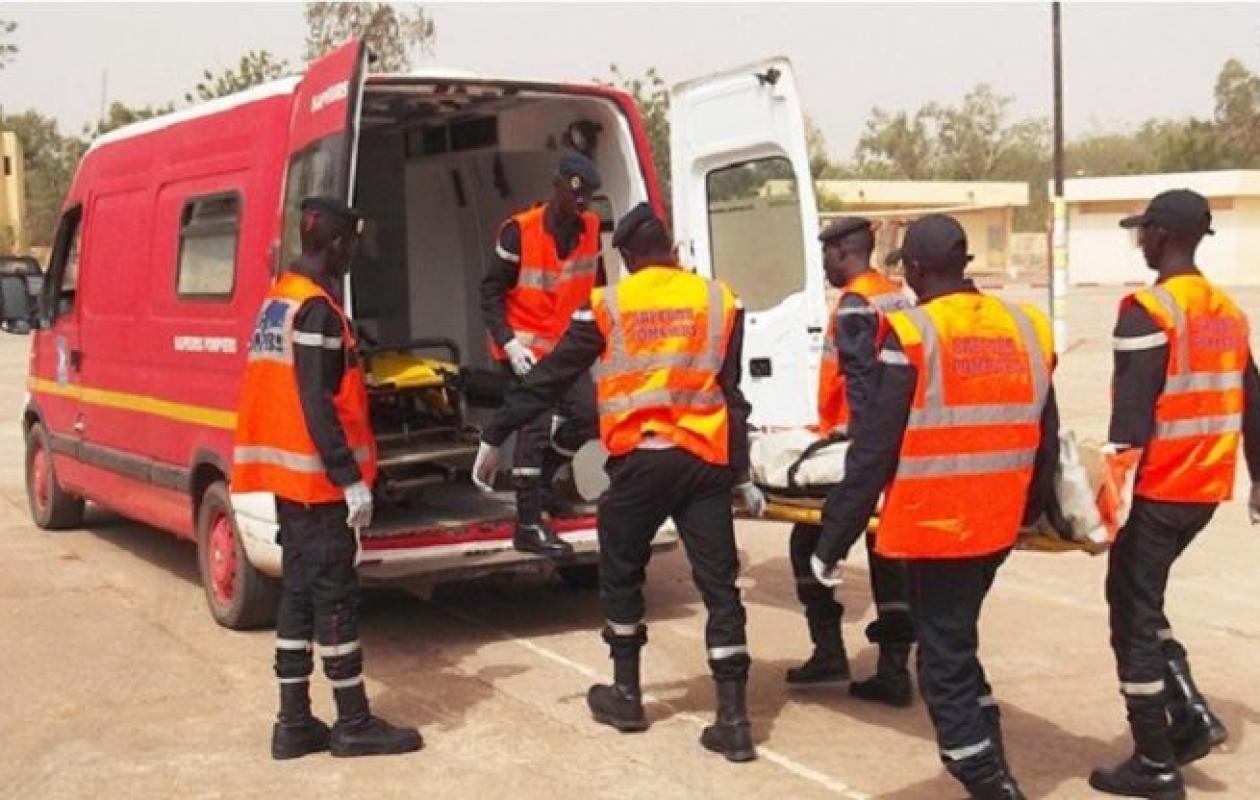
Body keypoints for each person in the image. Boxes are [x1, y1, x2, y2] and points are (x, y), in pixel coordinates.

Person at [471, 203, 767, 762]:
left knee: (620, 570)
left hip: (643, 463)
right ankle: (734, 721)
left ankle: (627, 695)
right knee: (720, 588)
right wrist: (742, 470)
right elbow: (731, 394)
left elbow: (552, 376)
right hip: (705, 462)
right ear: (673, 251)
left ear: (627, 258)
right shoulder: (720, 300)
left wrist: (496, 433)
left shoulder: (608, 304)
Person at [813, 214, 1061, 800]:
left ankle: (990, 784)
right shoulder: (1025, 326)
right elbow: (1046, 433)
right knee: (957, 644)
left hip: (939, 524)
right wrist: (1036, 511)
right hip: (998, 523)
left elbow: (874, 448)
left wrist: (832, 541)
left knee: (942, 670)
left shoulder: (917, 333)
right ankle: (994, 762)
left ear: (919, 270)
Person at [234, 197, 422, 760]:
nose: (355, 252)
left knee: (296, 598)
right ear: (338, 243)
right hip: (318, 486)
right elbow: (317, 403)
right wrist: (351, 480)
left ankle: (293, 722)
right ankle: (353, 722)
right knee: (335, 600)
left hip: (289, 483)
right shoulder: (315, 309)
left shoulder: (279, 301)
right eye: (352, 242)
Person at [1089, 189, 1260, 800]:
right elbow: (1254, 403)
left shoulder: (1149, 309)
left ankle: (1154, 760)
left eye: (1144, 231)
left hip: (1162, 489)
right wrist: (1259, 480)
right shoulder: (1225, 311)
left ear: (1161, 235)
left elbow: (1129, 426)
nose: (1140, 240)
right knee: (1143, 596)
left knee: (1130, 612)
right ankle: (1190, 715)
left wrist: (1101, 509)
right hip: (1206, 490)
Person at [785, 216, 916, 708]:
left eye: (826, 255)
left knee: (808, 540)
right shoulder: (897, 294)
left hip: (858, 448)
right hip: (895, 442)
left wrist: (861, 454)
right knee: (889, 556)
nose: (824, 265)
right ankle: (894, 668)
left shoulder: (857, 304)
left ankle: (829, 650)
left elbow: (862, 385)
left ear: (842, 251)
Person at [479, 152, 604, 559]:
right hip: (525, 349)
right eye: (576, 196)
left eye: (587, 199)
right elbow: (490, 292)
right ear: (557, 187)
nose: (582, 205)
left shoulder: (589, 229)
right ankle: (529, 523)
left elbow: (596, 287)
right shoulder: (519, 231)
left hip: (566, 351)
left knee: (588, 416)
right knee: (532, 428)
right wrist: (509, 342)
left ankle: (545, 484)